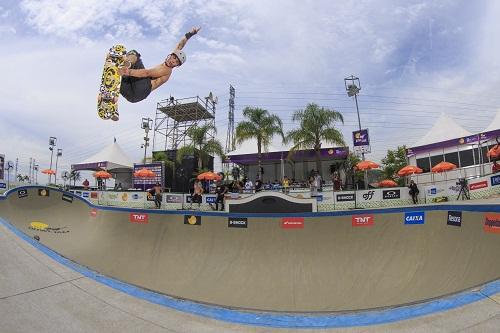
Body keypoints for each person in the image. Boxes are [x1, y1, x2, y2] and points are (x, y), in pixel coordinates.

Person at [106, 27, 200, 121]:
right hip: (133, 97)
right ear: (171, 55)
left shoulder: (167, 70)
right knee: (116, 80)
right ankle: (113, 108)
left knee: (134, 53)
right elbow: (180, 45)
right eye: (173, 58)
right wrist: (190, 34)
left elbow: (147, 73)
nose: (172, 61)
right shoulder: (171, 58)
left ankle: (127, 63)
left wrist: (128, 71)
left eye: (176, 62)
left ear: (177, 66)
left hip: (143, 88)